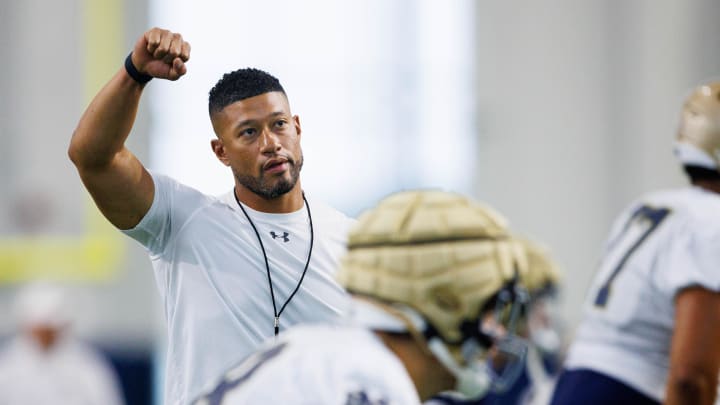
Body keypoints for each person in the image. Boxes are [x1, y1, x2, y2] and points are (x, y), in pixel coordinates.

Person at [68, 28, 356, 404]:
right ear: (221, 151)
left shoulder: (352, 241)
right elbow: (93, 157)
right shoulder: (182, 221)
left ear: (297, 128)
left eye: (279, 124)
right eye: (249, 133)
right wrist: (135, 73)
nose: (271, 143)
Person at [192, 190, 531, 405]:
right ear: (442, 303)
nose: (498, 333)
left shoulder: (323, 352)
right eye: (488, 312)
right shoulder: (370, 377)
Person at [550, 81, 720, 405]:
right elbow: (691, 377)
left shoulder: (651, 206)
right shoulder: (711, 223)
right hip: (628, 393)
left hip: (577, 383)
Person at [0, 281, 125, 405]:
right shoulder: (8, 364)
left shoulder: (87, 365)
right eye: (39, 330)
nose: (44, 336)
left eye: (49, 330)